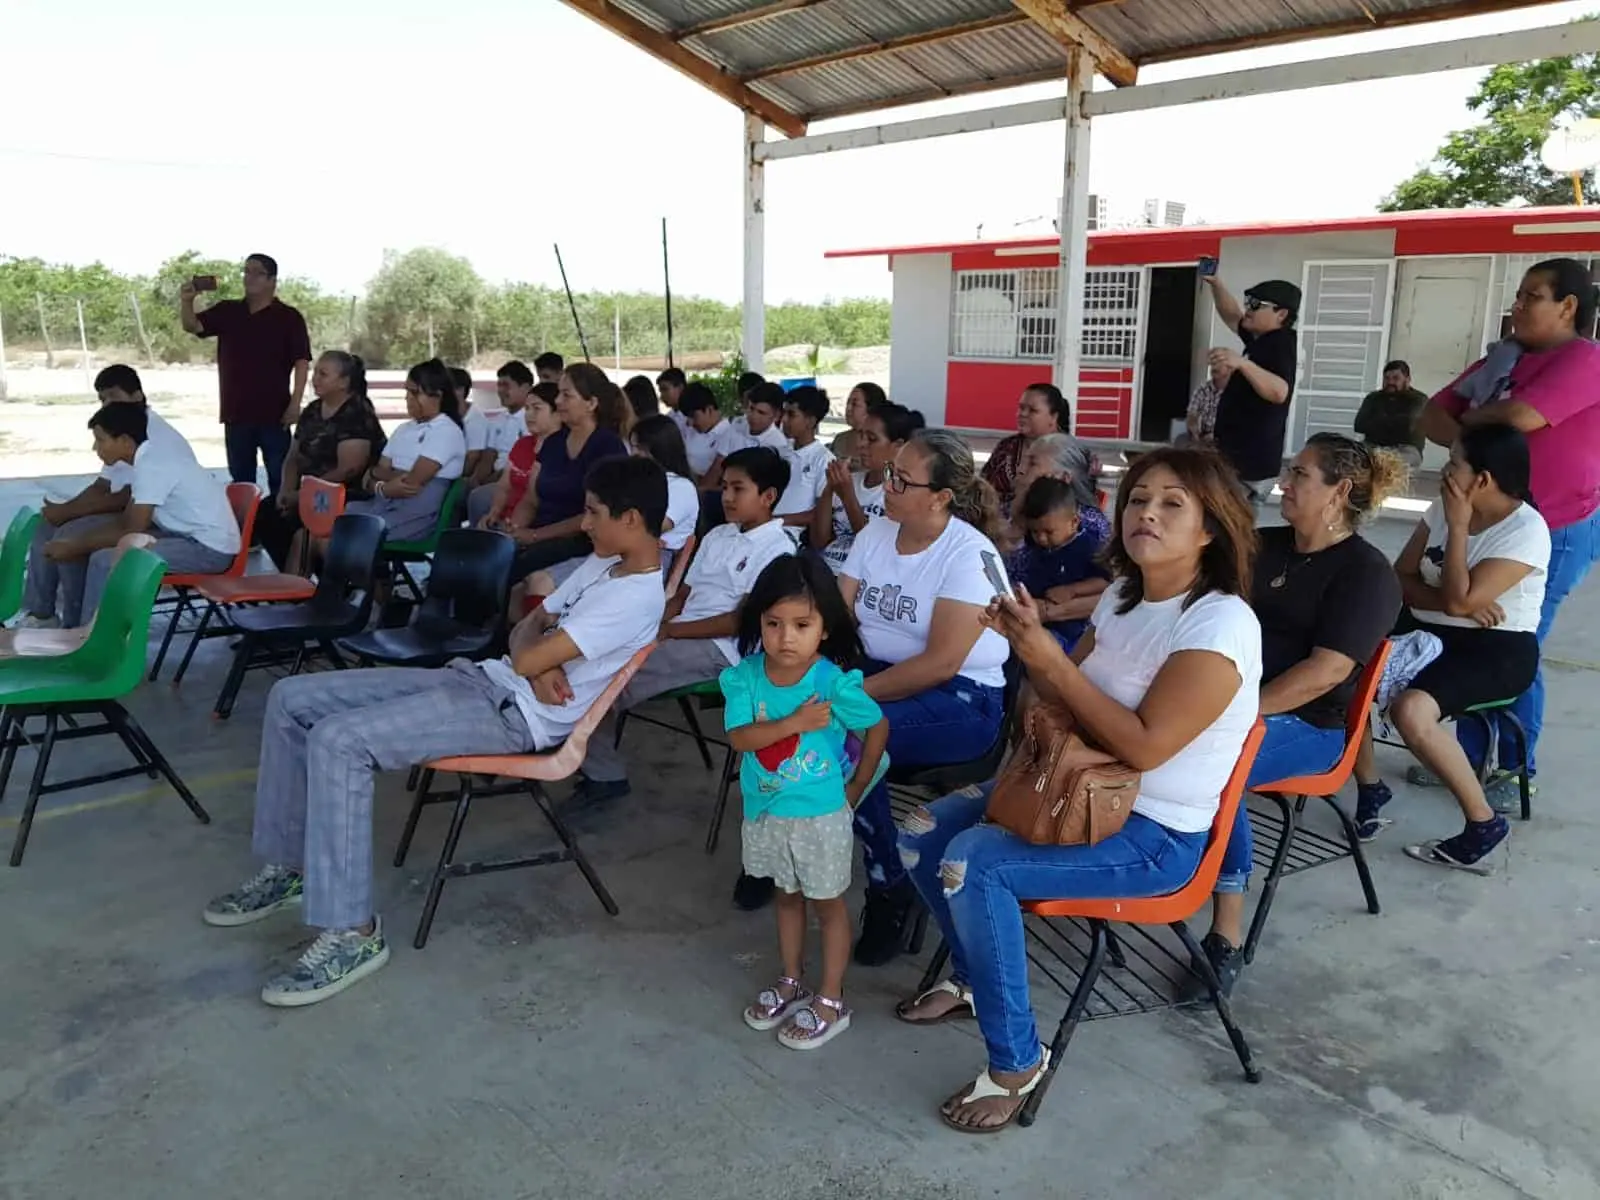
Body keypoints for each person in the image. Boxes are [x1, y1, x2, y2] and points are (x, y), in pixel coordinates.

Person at [200, 456, 669, 1007]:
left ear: (632, 519)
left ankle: (354, 933)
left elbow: (526, 650)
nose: (584, 523)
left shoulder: (637, 595)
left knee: (339, 740)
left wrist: (532, 659)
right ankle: (291, 867)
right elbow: (522, 627)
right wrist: (538, 660)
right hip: (479, 680)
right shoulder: (603, 565)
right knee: (290, 697)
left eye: (593, 514)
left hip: (512, 718)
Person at [895, 446, 1262, 1133]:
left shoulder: (1220, 623)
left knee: (976, 861)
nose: (1146, 513)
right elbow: (1063, 694)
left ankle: (1016, 1061)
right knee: (921, 836)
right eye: (1139, 499)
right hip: (1073, 787)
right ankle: (977, 980)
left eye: (1171, 504)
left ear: (1211, 529)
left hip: (1156, 834)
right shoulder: (1124, 595)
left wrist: (1048, 665)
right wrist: (1030, 654)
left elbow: (1145, 745)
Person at [1196, 435, 1405, 993]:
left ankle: (1226, 934)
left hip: (1312, 726)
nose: (1285, 483)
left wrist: (1236, 716)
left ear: (1339, 492)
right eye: (1289, 470)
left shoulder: (1365, 572)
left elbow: (1327, 672)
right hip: (1231, 703)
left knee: (1221, 766)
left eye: (1300, 474)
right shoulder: (1264, 546)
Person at [1416, 258, 1600, 807]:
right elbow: (1429, 416)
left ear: (1567, 307)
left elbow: (1522, 416)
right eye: (1518, 295)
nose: (1516, 306)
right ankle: (1470, 759)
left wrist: (1470, 423)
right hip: (1480, 522)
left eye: (1530, 297)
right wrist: (1474, 427)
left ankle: (1513, 770)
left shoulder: (1585, 359)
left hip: (1555, 527)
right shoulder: (1501, 359)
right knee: (1475, 636)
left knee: (1515, 645)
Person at [837, 430, 1011, 964]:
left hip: (963, 700)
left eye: (900, 479)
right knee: (785, 711)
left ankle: (889, 883)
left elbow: (940, 663)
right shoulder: (875, 536)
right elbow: (840, 622)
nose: (886, 485)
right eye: (889, 472)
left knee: (851, 736)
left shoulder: (966, 553)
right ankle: (781, 858)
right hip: (881, 674)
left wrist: (850, 694)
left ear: (940, 497)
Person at [1358, 426, 1549, 875]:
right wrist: (1448, 600)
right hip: (1426, 629)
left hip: (1495, 649)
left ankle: (1482, 823)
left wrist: (1460, 532)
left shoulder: (1526, 529)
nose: (1445, 472)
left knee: (1412, 712)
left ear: (1482, 479)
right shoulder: (1439, 509)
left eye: (1454, 463)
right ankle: (1369, 787)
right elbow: (1399, 579)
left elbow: (1460, 602)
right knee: (1342, 664)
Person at [725, 555, 889, 1050]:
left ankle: (830, 999)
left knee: (828, 905)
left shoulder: (830, 684)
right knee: (786, 896)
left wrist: (857, 787)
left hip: (820, 818)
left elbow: (876, 726)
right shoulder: (745, 677)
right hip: (768, 814)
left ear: (824, 628)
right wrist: (792, 725)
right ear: (759, 622)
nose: (785, 637)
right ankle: (792, 979)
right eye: (773, 624)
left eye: (801, 624)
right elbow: (740, 739)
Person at [571, 447, 795, 807]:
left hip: (723, 649)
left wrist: (670, 632)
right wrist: (654, 622)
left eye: (738, 489)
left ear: (768, 496)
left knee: (608, 679)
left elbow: (743, 622)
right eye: (724, 487)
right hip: (682, 632)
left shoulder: (778, 551)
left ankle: (604, 775)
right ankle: (592, 761)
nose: (726, 497)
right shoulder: (720, 535)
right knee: (597, 657)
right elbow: (685, 594)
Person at [18, 365, 199, 629]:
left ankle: (80, 628)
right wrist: (65, 509)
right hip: (140, 513)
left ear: (137, 396)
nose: (106, 404)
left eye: (113, 396)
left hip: (162, 520)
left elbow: (127, 499)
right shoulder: (119, 429)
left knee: (72, 538)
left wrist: (71, 520)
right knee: (50, 526)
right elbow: (103, 486)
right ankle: (42, 613)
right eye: (102, 399)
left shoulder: (154, 440)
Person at [56, 403, 241, 625]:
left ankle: (92, 642)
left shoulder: (153, 465)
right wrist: (78, 543)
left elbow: (132, 530)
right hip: (186, 538)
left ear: (125, 441)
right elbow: (127, 521)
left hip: (208, 550)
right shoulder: (148, 459)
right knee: (90, 550)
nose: (96, 447)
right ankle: (75, 628)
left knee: (105, 561)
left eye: (101, 439)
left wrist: (74, 545)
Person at [180, 253, 312, 495]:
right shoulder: (229, 311)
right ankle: (246, 528)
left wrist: (295, 404)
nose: (249, 278)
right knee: (241, 482)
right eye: (246, 271)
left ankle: (280, 528)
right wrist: (187, 301)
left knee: (280, 478)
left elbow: (302, 362)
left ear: (272, 280)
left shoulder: (289, 318)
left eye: (257, 272)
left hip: (275, 414)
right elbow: (193, 326)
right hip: (236, 413)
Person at [260, 351, 387, 571]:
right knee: (269, 512)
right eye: (315, 372)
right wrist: (286, 490)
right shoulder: (313, 410)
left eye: (323, 374)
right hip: (310, 492)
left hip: (346, 494)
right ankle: (296, 580)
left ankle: (333, 580)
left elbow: (349, 469)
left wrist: (304, 496)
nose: (315, 379)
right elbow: (293, 456)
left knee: (308, 521)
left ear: (344, 382)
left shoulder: (357, 413)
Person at [509, 363, 631, 579]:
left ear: (591, 403)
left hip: (582, 540)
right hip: (538, 535)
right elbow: (530, 499)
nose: (557, 401)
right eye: (558, 395)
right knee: (493, 552)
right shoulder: (553, 443)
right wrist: (514, 529)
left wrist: (535, 536)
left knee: (522, 565)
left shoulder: (608, 448)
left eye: (566, 395)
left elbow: (594, 514)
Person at [344, 359, 466, 540]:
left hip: (415, 515)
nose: (408, 398)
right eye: (407, 391)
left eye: (415, 392)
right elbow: (373, 473)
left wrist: (379, 479)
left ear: (437, 395)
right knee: (322, 527)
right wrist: (384, 485)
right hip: (382, 504)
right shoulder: (403, 429)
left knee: (341, 536)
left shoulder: (446, 431)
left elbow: (411, 483)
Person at [1204, 274, 1300, 499]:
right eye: (1249, 302)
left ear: (1281, 314)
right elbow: (1232, 316)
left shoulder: (1281, 343)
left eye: (1257, 305)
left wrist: (1241, 363)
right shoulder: (1261, 340)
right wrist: (1216, 283)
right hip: (1236, 459)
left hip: (1250, 465)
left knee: (1236, 527)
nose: (1249, 309)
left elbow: (1279, 392)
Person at [811, 401, 924, 574]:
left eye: (871, 439)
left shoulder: (900, 491)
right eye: (860, 435)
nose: (861, 444)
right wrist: (829, 489)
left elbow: (874, 546)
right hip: (827, 572)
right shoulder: (850, 481)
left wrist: (848, 496)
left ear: (898, 446)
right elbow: (819, 541)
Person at [1006, 476, 1111, 654]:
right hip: (1034, 618)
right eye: (1035, 531)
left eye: (1048, 532)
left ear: (1074, 522)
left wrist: (1072, 590)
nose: (1041, 538)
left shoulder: (1088, 547)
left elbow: (1104, 582)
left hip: (1069, 632)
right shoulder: (1034, 547)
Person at [997, 432, 1108, 555]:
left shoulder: (1087, 527)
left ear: (1062, 477)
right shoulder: (1014, 506)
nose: (1020, 470)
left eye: (1032, 464)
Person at [478, 382, 562, 533]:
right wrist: (494, 513)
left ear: (558, 414)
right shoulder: (522, 444)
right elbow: (504, 486)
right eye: (527, 409)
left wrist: (513, 529)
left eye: (537, 408)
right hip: (506, 521)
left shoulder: (564, 450)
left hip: (533, 527)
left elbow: (535, 501)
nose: (529, 414)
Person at [980, 383, 1074, 512]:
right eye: (1021, 408)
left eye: (1032, 410)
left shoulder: (1070, 453)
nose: (1022, 414)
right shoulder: (1006, 447)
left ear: (1053, 417)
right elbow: (983, 486)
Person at [466, 361, 537, 526]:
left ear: (526, 388)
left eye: (506, 385)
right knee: (460, 490)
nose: (501, 391)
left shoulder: (531, 420)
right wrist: (477, 478)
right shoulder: (497, 420)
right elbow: (489, 455)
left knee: (478, 497)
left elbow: (520, 465)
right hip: (494, 477)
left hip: (515, 480)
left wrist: (491, 481)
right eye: (499, 385)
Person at [628, 414, 701, 571]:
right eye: (632, 447)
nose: (632, 454)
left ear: (660, 449)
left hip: (660, 557)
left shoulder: (681, 487)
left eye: (639, 448)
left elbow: (653, 526)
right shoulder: (638, 481)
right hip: (631, 548)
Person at [775, 385, 833, 529]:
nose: (783, 420)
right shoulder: (779, 453)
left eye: (791, 414)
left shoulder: (824, 460)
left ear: (811, 421)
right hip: (766, 528)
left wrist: (775, 521)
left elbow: (820, 513)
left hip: (793, 534)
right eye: (783, 413)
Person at [1353, 360, 1429, 467]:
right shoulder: (1373, 398)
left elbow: (1408, 427)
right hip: (1373, 446)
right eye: (1387, 378)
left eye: (1396, 378)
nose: (1390, 382)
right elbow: (1359, 425)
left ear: (1407, 380)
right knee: (1350, 458)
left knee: (1391, 464)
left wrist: (1377, 421)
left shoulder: (1418, 399)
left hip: (1405, 449)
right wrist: (1394, 421)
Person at [455, 367, 497, 489]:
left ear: (463, 391)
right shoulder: (442, 415)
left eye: (456, 388)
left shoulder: (477, 420)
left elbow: (472, 459)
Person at [830, 382, 884, 467]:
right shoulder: (840, 439)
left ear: (871, 408)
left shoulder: (879, 443)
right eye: (848, 403)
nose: (848, 408)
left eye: (855, 404)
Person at [1182, 358, 1230, 445]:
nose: (1214, 367)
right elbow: (1192, 414)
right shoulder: (1202, 390)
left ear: (1229, 369)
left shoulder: (1234, 393)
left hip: (1225, 437)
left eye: (1219, 364)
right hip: (1203, 436)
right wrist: (1195, 433)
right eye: (1213, 364)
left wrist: (1215, 435)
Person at [740, 382, 790, 452]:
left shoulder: (778, 446)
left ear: (776, 416)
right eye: (751, 408)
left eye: (761, 412)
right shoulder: (736, 427)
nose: (754, 416)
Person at [657, 367, 689, 434]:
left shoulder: (693, 417)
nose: (662, 396)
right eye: (661, 391)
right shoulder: (668, 418)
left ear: (680, 388)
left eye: (665, 389)